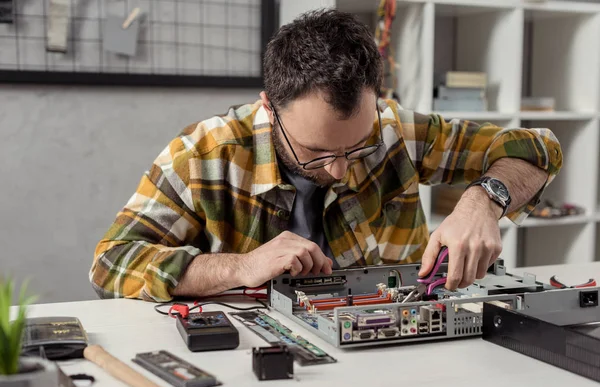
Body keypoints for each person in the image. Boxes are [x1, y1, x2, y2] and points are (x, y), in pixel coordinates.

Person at [89, 9, 562, 302]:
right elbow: (111, 263)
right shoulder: (203, 154)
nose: (338, 169)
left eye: (357, 145)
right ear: (269, 108)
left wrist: (485, 200)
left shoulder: (396, 130)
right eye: (316, 152)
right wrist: (241, 267)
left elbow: (539, 149)